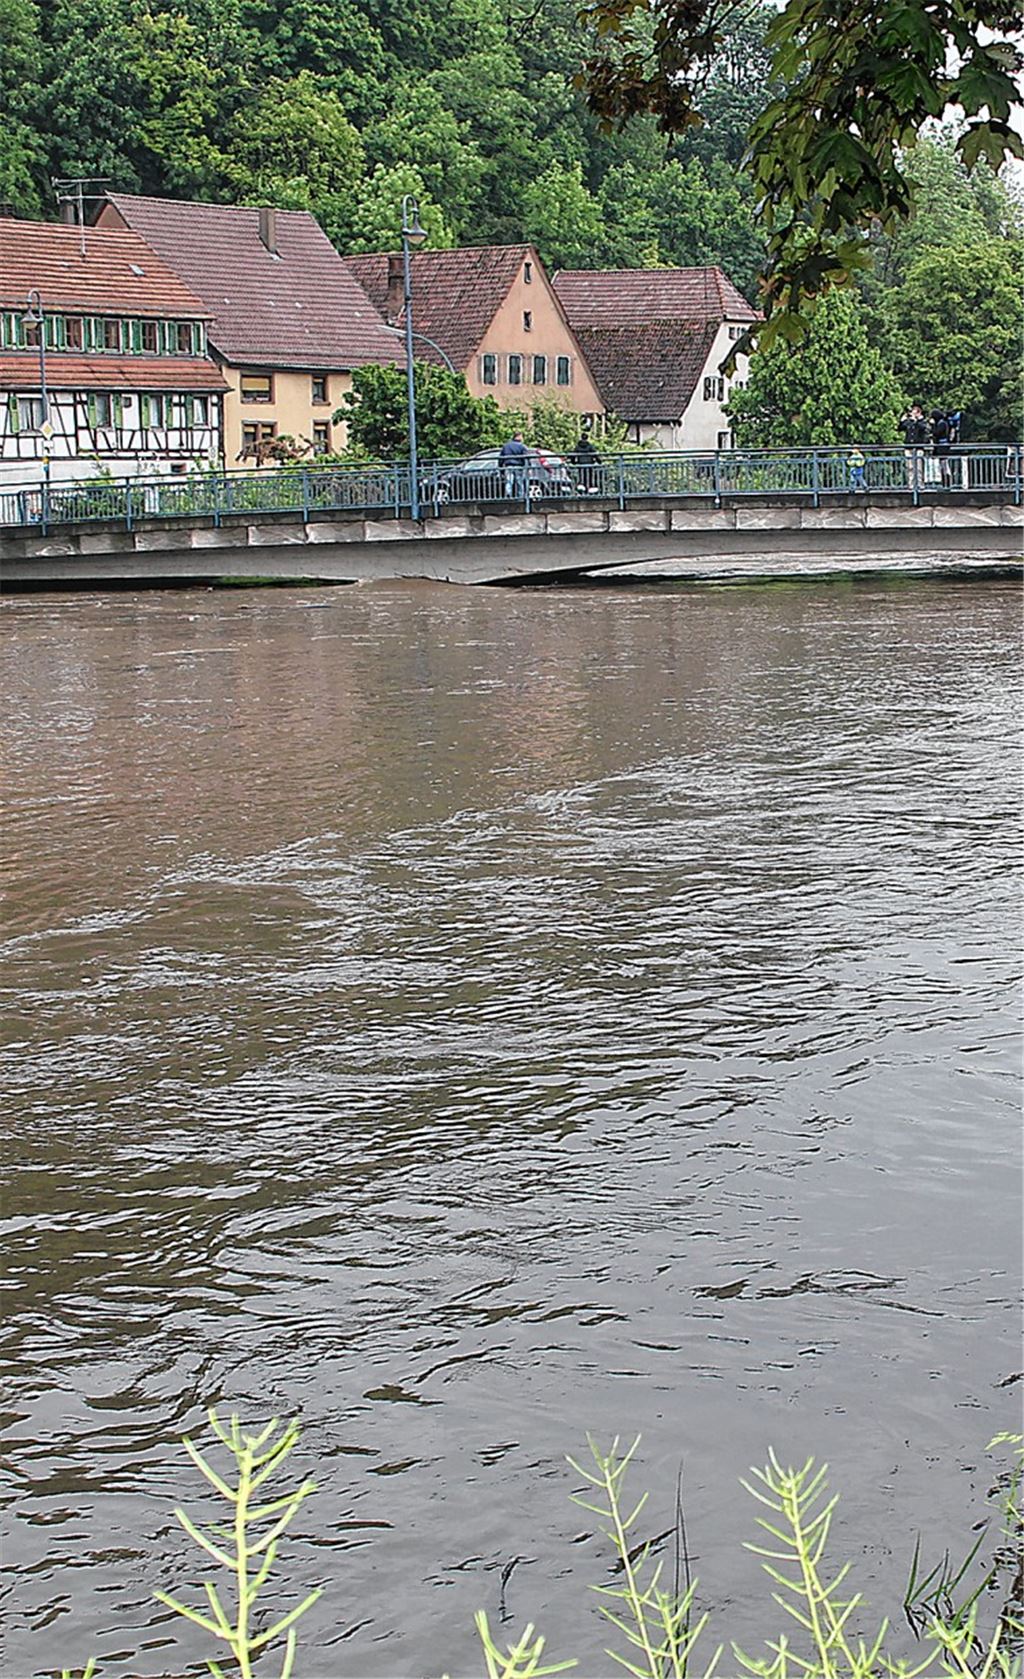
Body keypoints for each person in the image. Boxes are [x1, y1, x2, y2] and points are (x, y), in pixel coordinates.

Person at [900, 403, 930, 489]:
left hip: (918, 447)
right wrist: (903, 420)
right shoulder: (909, 421)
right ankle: (911, 484)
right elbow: (901, 427)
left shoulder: (922, 421)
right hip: (908, 447)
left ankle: (920, 484)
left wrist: (916, 420)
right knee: (910, 467)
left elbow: (923, 428)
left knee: (919, 467)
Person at [499, 431, 530, 499]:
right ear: (519, 436)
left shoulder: (506, 446)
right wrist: (528, 467)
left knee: (509, 482)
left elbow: (501, 458)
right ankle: (520, 496)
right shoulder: (522, 446)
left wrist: (501, 468)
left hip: (508, 466)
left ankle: (508, 495)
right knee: (519, 482)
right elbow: (526, 457)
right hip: (518, 466)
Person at [931, 409, 954, 488]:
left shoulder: (942, 424)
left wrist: (933, 425)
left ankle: (947, 483)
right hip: (942, 446)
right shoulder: (944, 423)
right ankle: (944, 482)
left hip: (943, 446)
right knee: (943, 465)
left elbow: (936, 433)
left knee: (944, 465)